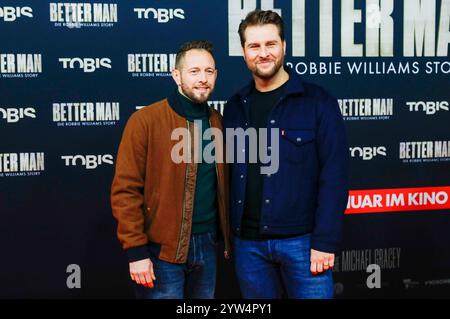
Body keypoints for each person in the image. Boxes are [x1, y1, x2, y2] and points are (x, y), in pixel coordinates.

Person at [223, 10, 349, 299]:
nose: (263, 53)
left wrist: (325, 242)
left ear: (284, 46)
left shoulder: (319, 102)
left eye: (270, 44)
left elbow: (335, 176)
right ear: (243, 52)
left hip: (304, 245)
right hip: (248, 246)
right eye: (254, 46)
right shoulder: (234, 107)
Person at [111, 40, 230, 299]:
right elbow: (125, 191)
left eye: (209, 71)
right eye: (194, 71)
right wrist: (136, 252)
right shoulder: (145, 121)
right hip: (161, 250)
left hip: (207, 245)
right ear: (176, 75)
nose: (203, 79)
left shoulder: (218, 122)